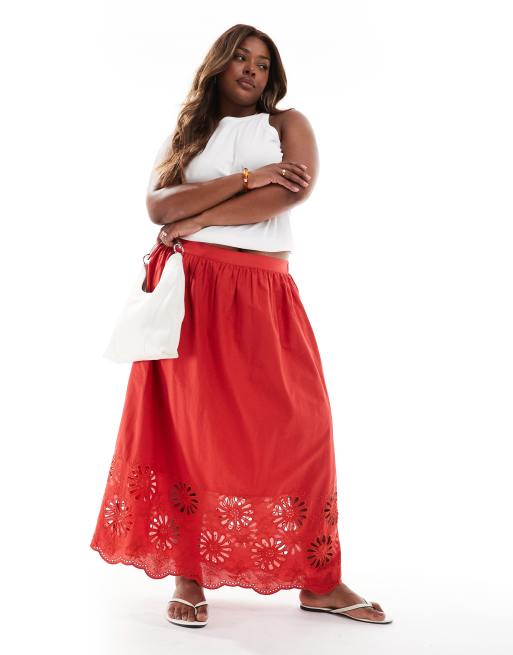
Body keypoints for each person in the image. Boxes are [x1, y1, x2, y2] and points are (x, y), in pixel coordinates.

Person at [90, 23, 392, 628]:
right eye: (240, 58)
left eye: (263, 62)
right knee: (191, 430)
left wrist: (197, 216)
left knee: (304, 426)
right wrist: (247, 179)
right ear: (218, 66)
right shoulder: (187, 134)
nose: (252, 70)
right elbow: (159, 206)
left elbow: (288, 195)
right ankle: (188, 573)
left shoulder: (287, 125)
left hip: (263, 289)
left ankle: (319, 580)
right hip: (193, 291)